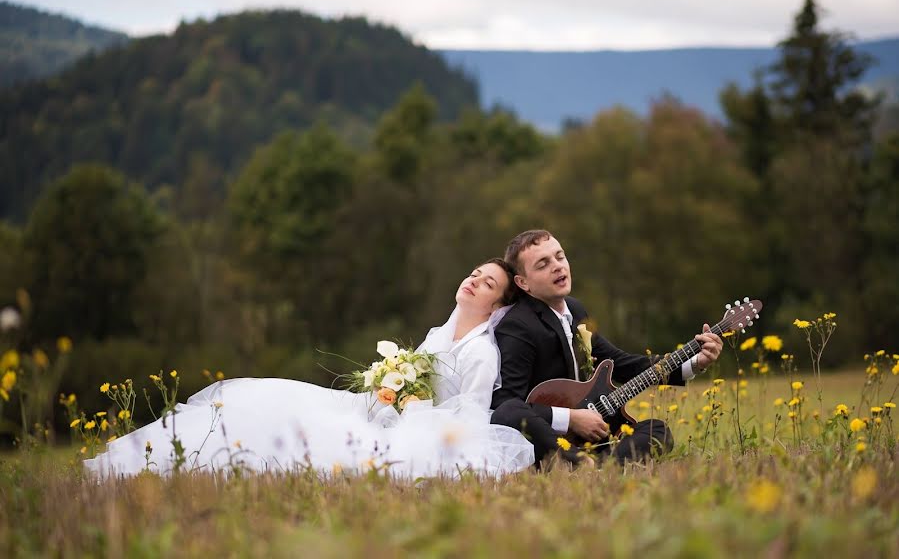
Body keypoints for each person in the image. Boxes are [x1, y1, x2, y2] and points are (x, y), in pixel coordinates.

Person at [85, 259, 534, 478]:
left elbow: (471, 416)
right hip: (382, 409)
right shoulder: (441, 332)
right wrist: (388, 386)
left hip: (421, 427)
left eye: (486, 282)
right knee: (273, 396)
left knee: (318, 437)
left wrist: (411, 411)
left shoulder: (481, 353)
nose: (473, 279)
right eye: (474, 272)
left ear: (496, 305)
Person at [490, 230, 723, 466]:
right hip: (547, 441)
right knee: (513, 412)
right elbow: (507, 406)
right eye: (543, 264)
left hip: (590, 437)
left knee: (656, 431)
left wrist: (693, 362)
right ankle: (573, 461)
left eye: (560, 257)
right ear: (523, 283)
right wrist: (571, 419)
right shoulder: (518, 326)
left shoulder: (574, 310)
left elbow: (619, 363)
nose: (557, 267)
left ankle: (595, 466)